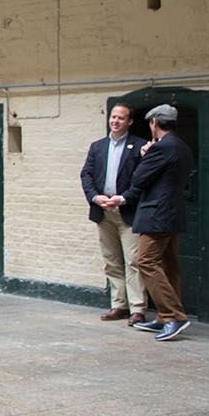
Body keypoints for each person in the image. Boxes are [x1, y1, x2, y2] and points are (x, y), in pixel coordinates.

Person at [112, 104, 195, 342]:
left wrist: (146, 155)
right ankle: (163, 317)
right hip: (172, 213)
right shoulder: (182, 146)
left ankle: (172, 316)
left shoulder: (161, 148)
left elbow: (139, 177)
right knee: (168, 266)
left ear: (155, 123)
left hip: (156, 214)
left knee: (146, 261)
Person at [79, 103, 146, 324]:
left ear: (130, 121)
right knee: (112, 261)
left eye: (120, 118)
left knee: (133, 261)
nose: (115, 121)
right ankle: (119, 305)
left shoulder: (139, 146)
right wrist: (95, 197)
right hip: (103, 212)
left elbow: (142, 179)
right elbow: (86, 175)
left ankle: (138, 308)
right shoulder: (97, 147)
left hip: (127, 212)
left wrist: (124, 197)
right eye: (113, 117)